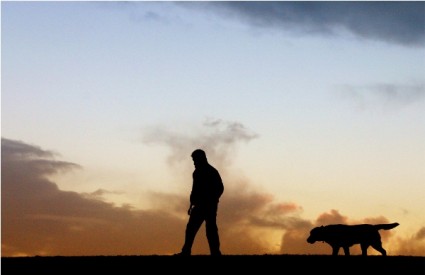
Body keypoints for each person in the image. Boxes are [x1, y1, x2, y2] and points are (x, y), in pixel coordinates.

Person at [174, 149, 224, 256]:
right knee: (191, 228)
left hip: (209, 206)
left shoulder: (211, 172)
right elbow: (195, 189)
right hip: (199, 205)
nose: (194, 163)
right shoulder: (196, 173)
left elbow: (220, 188)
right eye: (193, 160)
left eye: (195, 160)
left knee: (210, 230)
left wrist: (213, 199)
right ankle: (186, 251)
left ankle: (215, 252)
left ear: (201, 159)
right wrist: (192, 202)